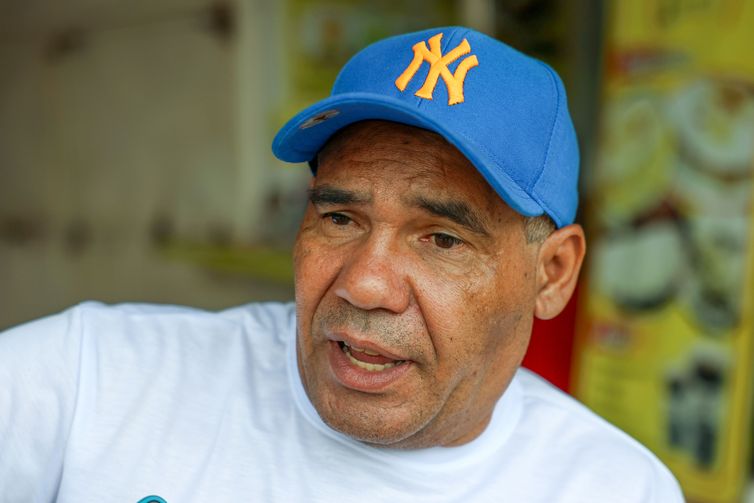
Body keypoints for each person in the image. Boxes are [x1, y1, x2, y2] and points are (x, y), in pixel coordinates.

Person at [0, 27, 683, 502]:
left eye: (442, 238)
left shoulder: (612, 487)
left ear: (553, 273)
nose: (364, 282)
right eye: (340, 218)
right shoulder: (93, 379)